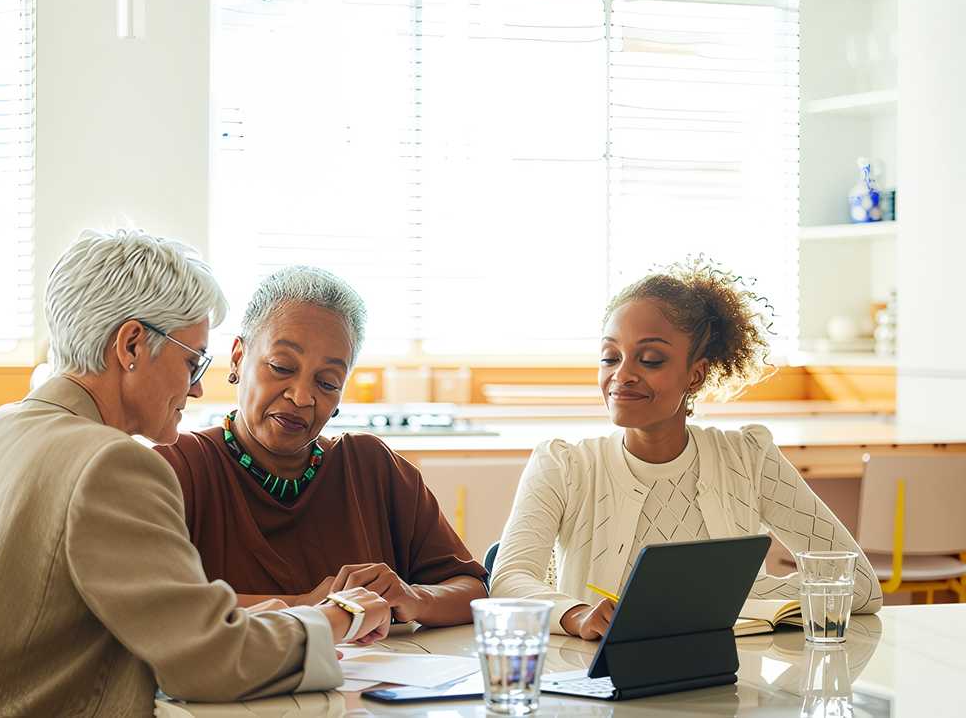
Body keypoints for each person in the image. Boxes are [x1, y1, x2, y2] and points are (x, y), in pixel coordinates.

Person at [0, 230, 391, 718]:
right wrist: (336, 616)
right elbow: (209, 662)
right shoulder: (110, 464)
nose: (195, 389)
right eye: (193, 362)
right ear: (129, 346)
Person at [490, 258, 883, 641]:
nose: (621, 375)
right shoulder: (563, 465)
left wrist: (730, 599)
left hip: (725, 682)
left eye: (650, 359)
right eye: (610, 357)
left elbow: (860, 585)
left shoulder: (749, 457)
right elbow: (508, 580)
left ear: (695, 375)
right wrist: (575, 616)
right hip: (593, 686)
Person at [156, 265, 487, 627]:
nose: (301, 397)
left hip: (373, 682)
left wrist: (413, 597)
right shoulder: (177, 467)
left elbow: (473, 590)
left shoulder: (372, 467)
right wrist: (306, 606)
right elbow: (157, 604)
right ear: (237, 357)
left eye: (327, 383)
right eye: (281, 367)